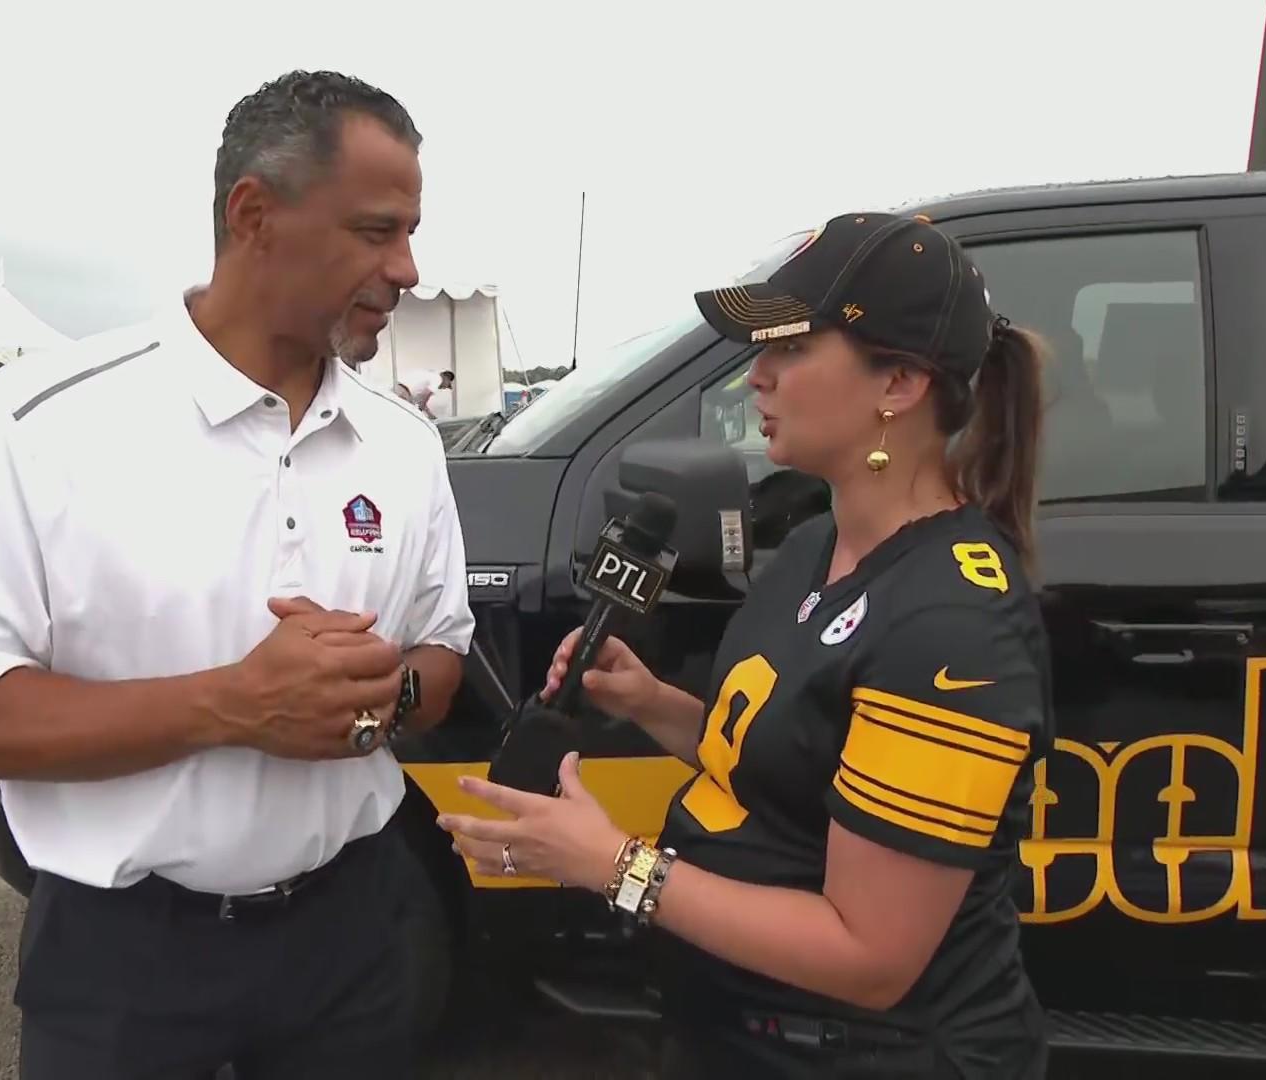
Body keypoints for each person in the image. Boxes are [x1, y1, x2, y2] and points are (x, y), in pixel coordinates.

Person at [0, 69, 473, 1080]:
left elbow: (439, 656)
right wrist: (233, 705)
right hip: (121, 961)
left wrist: (380, 701)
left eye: (410, 232)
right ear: (256, 215)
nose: (409, 268)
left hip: (354, 937)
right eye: (377, 231)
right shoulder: (44, 421)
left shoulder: (406, 444)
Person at [438, 212, 1054, 1077]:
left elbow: (870, 957)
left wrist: (614, 866)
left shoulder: (950, 625)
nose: (755, 377)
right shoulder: (812, 545)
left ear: (901, 383)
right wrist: (651, 703)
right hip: (739, 1035)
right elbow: (787, 766)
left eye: (792, 350)